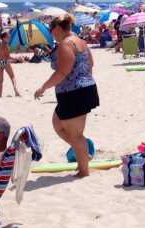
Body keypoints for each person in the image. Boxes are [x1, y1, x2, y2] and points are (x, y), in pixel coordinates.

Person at [35, 14, 98, 177]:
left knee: (75, 135)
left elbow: (62, 72)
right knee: (58, 124)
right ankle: (83, 153)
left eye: (51, 29)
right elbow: (90, 64)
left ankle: (84, 170)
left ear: (58, 28)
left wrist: (43, 87)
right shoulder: (81, 42)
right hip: (83, 89)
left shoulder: (66, 44)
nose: (50, 32)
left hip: (74, 93)